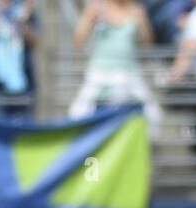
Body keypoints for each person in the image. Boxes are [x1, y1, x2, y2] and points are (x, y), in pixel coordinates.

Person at [68, 0, 161, 130]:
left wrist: (142, 22)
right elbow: (78, 42)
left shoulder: (136, 10)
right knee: (77, 113)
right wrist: (91, 19)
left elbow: (147, 45)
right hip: (99, 73)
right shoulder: (95, 7)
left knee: (153, 114)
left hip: (129, 73)